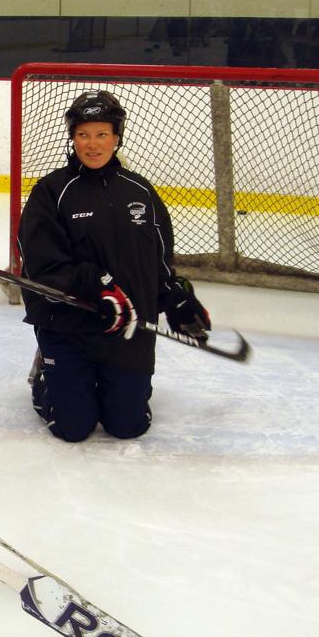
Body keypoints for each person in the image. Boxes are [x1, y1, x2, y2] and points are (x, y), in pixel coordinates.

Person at [17, 90, 210, 442]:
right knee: (72, 428)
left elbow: (159, 262)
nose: (93, 144)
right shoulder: (51, 192)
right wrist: (96, 286)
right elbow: (40, 266)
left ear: (117, 137)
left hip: (129, 327)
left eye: (102, 134)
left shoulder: (140, 191)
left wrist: (175, 297)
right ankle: (46, 372)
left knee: (128, 426)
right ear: (72, 138)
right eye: (83, 134)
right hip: (70, 326)